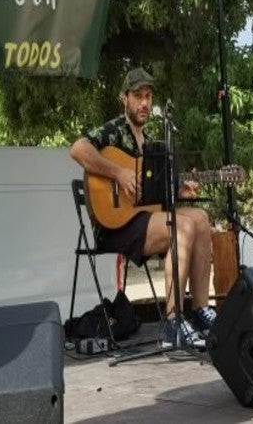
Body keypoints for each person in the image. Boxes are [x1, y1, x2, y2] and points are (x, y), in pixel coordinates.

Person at [69, 67, 214, 349]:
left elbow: (155, 199)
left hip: (142, 220)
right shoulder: (112, 131)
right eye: (138, 96)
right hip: (114, 227)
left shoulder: (150, 145)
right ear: (125, 99)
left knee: (200, 218)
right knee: (181, 225)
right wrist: (118, 173)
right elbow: (77, 149)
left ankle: (199, 312)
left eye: (148, 96)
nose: (145, 103)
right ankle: (173, 323)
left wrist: (179, 192)